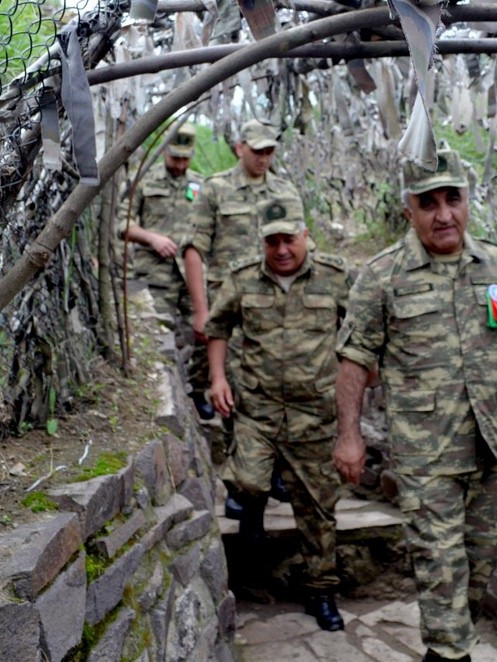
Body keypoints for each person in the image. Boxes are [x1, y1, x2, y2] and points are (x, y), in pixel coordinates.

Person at [332, 148, 497, 661]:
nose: (443, 214)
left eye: (452, 198)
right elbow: (353, 359)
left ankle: (447, 649)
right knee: (442, 578)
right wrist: (349, 435)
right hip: (425, 459)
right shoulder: (382, 275)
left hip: (486, 452)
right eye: (428, 202)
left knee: (473, 578)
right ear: (408, 209)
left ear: (467, 199)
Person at [204, 196, 350, 632]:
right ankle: (252, 508)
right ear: (262, 243)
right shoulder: (244, 279)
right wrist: (217, 378)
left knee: (318, 510)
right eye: (273, 242)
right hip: (259, 408)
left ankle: (321, 592)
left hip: (315, 414)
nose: (282, 249)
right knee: (247, 479)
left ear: (306, 236)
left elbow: (363, 327)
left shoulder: (335, 277)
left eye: (289, 239)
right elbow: (217, 327)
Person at [181, 119, 300, 508]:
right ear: (239, 148)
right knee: (233, 392)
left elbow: (300, 247)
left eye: (270, 151)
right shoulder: (215, 189)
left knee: (280, 389)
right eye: (257, 150)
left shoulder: (285, 191)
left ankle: (275, 472)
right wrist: (202, 310)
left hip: (277, 309)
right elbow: (195, 248)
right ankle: (239, 483)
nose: (264, 158)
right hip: (229, 309)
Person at [119, 121, 214, 420]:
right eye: (175, 157)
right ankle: (162, 396)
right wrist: (151, 237)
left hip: (193, 276)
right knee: (158, 336)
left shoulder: (201, 185)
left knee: (204, 333)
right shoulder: (142, 181)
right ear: (164, 153)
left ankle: (197, 391)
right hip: (153, 274)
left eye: (186, 158)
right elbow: (121, 224)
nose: (180, 164)